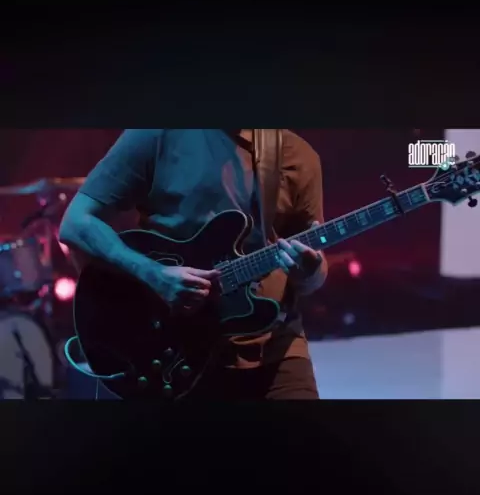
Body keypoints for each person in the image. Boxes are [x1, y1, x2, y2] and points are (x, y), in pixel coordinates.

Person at [59, 129, 328, 400]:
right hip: (179, 348)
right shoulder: (158, 133)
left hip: (277, 347)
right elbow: (76, 223)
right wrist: (154, 275)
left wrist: (310, 272)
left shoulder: (298, 155)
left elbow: (314, 269)